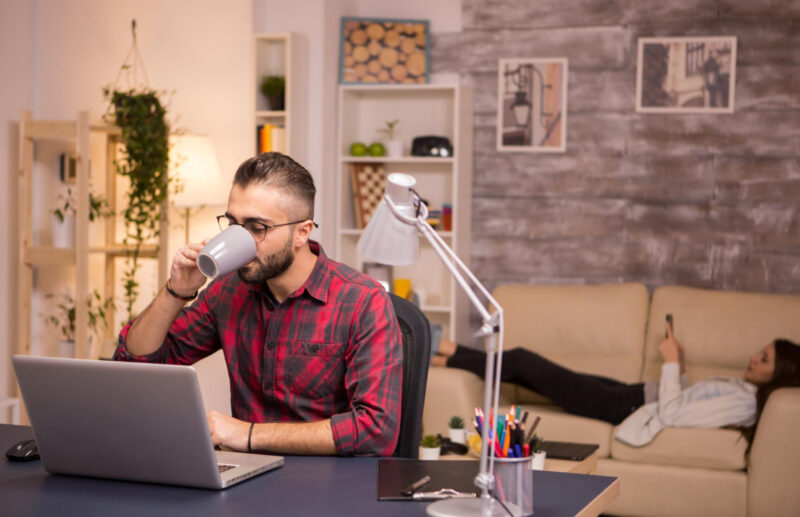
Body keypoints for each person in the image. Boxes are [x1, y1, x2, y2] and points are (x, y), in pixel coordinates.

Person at [114, 152, 403, 457]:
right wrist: (176, 291)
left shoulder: (361, 301)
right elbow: (135, 366)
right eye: (233, 223)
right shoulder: (228, 291)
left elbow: (375, 431)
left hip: (329, 486)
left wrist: (249, 434)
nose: (242, 239)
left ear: (302, 232)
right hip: (245, 481)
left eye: (257, 227)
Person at [432, 326, 800, 449]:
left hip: (621, 406)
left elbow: (673, 413)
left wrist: (671, 364)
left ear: (780, 374)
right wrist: (681, 371)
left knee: (524, 362)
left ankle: (435, 350)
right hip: (631, 393)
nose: (754, 358)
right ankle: (439, 347)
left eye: (764, 359)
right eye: (760, 352)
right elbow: (686, 401)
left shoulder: (746, 405)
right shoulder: (744, 390)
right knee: (523, 371)